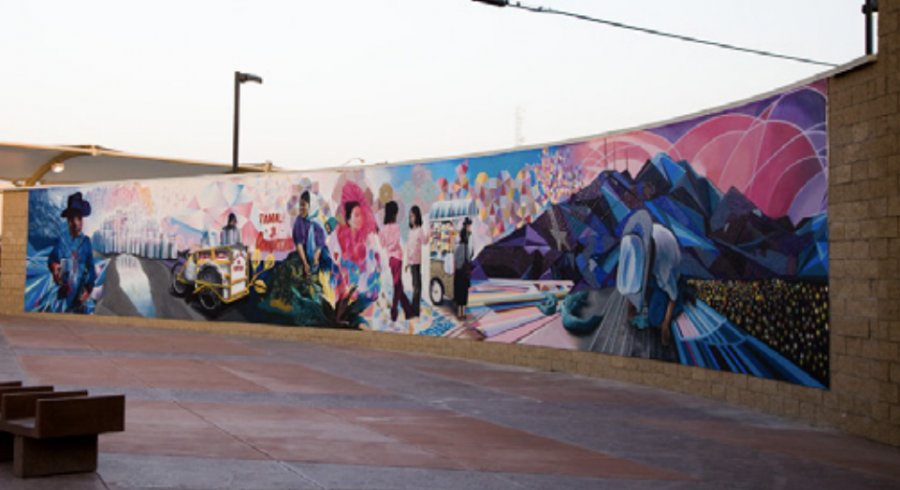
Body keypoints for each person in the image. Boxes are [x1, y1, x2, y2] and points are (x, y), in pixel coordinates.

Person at [616, 209, 683, 346]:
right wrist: (630, 308)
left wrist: (665, 325)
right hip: (656, 263)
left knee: (655, 320)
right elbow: (631, 275)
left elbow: (673, 298)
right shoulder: (637, 244)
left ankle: (683, 293)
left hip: (671, 269)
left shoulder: (663, 269)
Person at [48, 192, 97, 313]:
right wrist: (54, 267)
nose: (76, 223)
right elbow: (51, 259)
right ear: (68, 221)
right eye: (72, 219)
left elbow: (91, 270)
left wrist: (88, 290)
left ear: (82, 220)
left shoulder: (86, 242)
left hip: (79, 297)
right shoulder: (61, 240)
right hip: (62, 296)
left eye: (79, 218)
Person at [378, 201, 415, 322]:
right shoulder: (396, 228)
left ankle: (408, 311)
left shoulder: (383, 230)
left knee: (398, 284)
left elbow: (383, 244)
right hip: (398, 258)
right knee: (397, 285)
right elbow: (396, 242)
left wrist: (379, 233)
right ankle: (394, 310)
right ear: (394, 214)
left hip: (391, 259)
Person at [292, 191, 325, 277]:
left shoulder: (317, 222)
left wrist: (316, 257)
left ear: (311, 206)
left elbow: (320, 244)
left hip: (318, 254)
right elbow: (299, 243)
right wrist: (305, 263)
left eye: (304, 205)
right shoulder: (299, 221)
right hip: (302, 254)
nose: (301, 208)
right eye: (300, 205)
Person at [405, 205, 427, 317]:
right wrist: (407, 262)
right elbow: (408, 248)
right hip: (413, 263)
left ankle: (415, 310)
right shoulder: (411, 232)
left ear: (417, 217)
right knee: (417, 287)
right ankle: (414, 311)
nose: (411, 219)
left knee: (417, 286)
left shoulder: (419, 230)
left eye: (413, 216)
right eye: (410, 216)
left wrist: (430, 233)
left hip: (417, 262)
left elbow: (425, 241)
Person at [453, 217, 474, 320]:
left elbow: (455, 258)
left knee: (459, 293)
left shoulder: (457, 247)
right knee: (464, 293)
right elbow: (470, 255)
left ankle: (459, 313)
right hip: (464, 271)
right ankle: (463, 314)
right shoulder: (467, 245)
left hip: (458, 271)